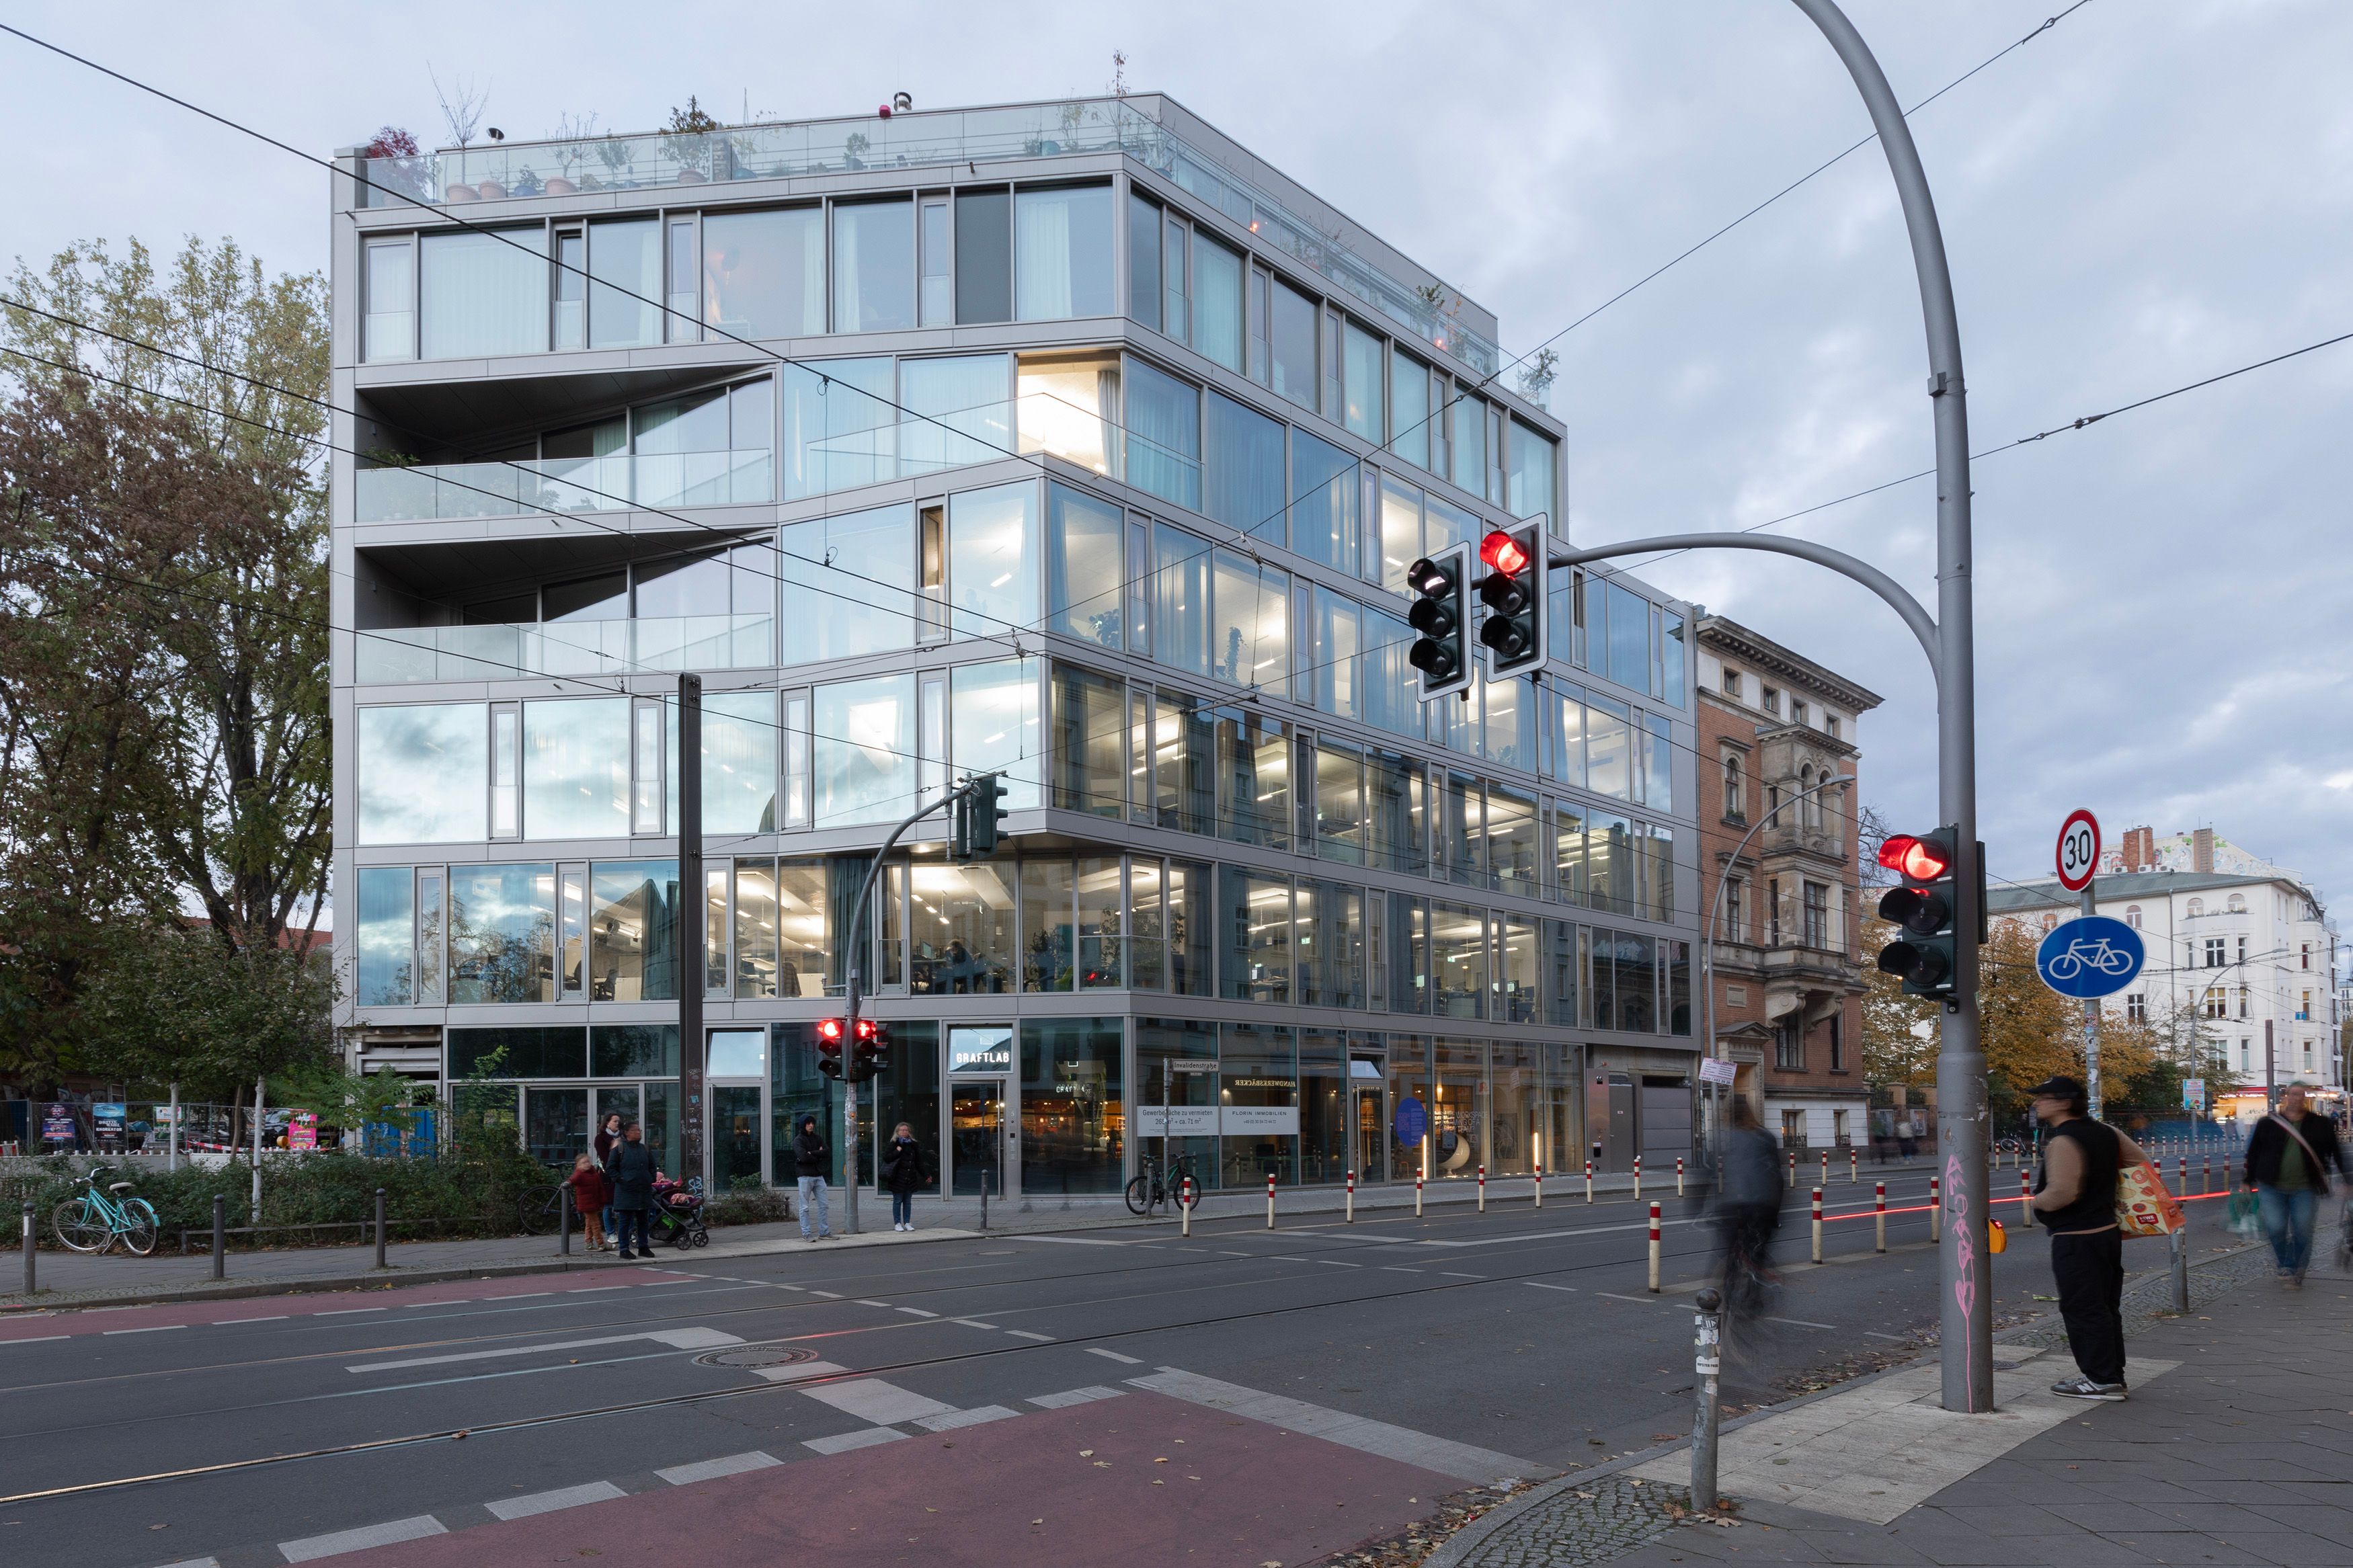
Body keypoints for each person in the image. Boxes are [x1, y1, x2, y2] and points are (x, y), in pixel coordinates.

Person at [2028, 1074, 2148, 1401]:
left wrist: (2034, 1200)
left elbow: (2062, 1194)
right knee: (2106, 1307)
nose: (2036, 1102)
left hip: (2076, 1237)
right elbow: (2141, 1163)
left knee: (2082, 1308)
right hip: (2106, 1232)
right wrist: (2104, 1185)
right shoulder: (2107, 1132)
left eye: (2043, 1097)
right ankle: (2112, 1376)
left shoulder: (2064, 1141)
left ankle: (2100, 1380)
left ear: (2065, 1102)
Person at [2241, 1083, 2348, 1287]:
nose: (2296, 1098)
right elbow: (2254, 1152)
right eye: (2293, 1094)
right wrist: (2248, 1179)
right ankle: (2286, 1264)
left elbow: (2336, 1152)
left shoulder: (2320, 1124)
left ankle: (2297, 1265)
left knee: (2303, 1230)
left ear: (2305, 1098)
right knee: (2275, 1228)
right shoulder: (2268, 1123)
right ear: (2286, 1096)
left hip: (2305, 1187)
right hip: (2271, 1186)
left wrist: (2347, 1180)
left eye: (2300, 1095)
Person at [1714, 1096, 1782, 1317]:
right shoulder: (1767, 1137)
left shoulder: (1724, 1139)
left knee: (1729, 1251)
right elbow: (1777, 1176)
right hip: (1764, 1204)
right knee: (1757, 1252)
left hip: (1734, 1205)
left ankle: (1729, 1298)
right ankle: (1754, 1298)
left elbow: (1707, 1174)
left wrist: (1696, 1206)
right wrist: (1776, 1212)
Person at [604, 1122, 658, 1260]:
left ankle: (643, 1247)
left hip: (643, 1190)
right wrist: (622, 1180)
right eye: (635, 1130)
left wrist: (650, 1178)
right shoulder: (619, 1149)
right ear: (627, 1132)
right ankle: (624, 1249)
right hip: (626, 1191)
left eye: (639, 1130)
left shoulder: (644, 1149)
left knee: (643, 1221)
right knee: (625, 1221)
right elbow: (610, 1168)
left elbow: (653, 1166)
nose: (639, 1132)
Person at [792, 1113, 832, 1241]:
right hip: (804, 1176)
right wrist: (818, 1154)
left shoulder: (817, 1138)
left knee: (824, 1205)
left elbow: (826, 1151)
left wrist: (813, 1153)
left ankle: (824, 1232)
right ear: (803, 1125)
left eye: (812, 1123)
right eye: (808, 1123)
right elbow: (803, 1156)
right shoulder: (798, 1140)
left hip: (818, 1175)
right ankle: (806, 1233)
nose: (811, 1125)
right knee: (804, 1207)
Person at [882, 1122, 926, 1231]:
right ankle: (897, 1223)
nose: (904, 1132)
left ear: (909, 1132)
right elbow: (887, 1158)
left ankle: (907, 1222)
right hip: (897, 1177)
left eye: (906, 1130)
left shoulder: (913, 1144)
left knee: (908, 1201)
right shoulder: (894, 1144)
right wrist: (897, 1151)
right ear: (897, 1132)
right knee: (897, 1201)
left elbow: (918, 1162)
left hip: (909, 1177)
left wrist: (926, 1175)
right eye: (902, 1130)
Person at [593, 1112, 624, 1250]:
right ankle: (611, 1233)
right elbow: (605, 1158)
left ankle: (625, 1232)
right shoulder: (600, 1139)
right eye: (615, 1121)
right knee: (608, 1205)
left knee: (622, 1205)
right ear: (608, 1123)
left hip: (622, 1175)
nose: (618, 1123)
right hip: (607, 1176)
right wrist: (613, 1146)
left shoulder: (622, 1137)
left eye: (619, 1121)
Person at [568, 1153, 608, 1252]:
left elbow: (600, 1187)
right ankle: (601, 1243)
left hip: (593, 1202)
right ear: (578, 1165)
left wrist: (602, 1200)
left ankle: (588, 1243)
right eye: (583, 1163)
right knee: (596, 1224)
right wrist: (568, 1182)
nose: (587, 1164)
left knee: (589, 1224)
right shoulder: (579, 1174)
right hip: (587, 1204)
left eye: (588, 1162)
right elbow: (573, 1179)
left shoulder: (593, 1172)